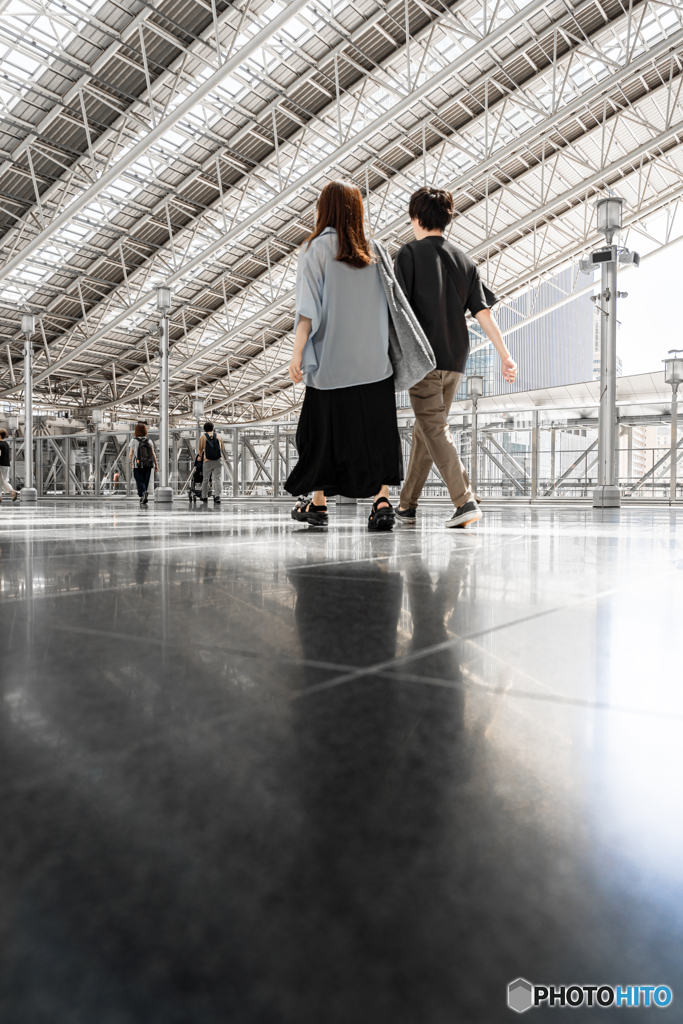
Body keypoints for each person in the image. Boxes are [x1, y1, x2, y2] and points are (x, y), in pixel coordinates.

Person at [285, 180, 432, 531]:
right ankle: (381, 502)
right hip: (373, 365)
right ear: (356, 210)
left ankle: (318, 504)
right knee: (376, 436)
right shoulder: (374, 249)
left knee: (319, 435)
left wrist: (297, 353)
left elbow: (307, 310)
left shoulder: (314, 249)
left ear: (324, 210)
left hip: (330, 364)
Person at [394, 187, 517, 529]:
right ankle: (406, 505)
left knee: (433, 426)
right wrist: (505, 356)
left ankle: (465, 501)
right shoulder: (466, 260)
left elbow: (395, 309)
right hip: (455, 358)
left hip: (423, 357)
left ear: (415, 217)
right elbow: (484, 314)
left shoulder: (408, 254)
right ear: (447, 219)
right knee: (428, 429)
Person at [129, 422, 158, 507]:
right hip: (148, 465)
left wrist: (130, 462)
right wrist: (156, 465)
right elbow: (153, 454)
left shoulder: (133, 440)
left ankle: (143, 494)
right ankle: (143, 494)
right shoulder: (149, 441)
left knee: (139, 480)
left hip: (137, 464)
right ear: (145, 431)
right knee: (145, 481)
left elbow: (131, 454)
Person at [198, 421, 224, 506]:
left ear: (204, 430)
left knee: (205, 479)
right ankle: (217, 497)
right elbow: (222, 448)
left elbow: (200, 449)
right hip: (218, 460)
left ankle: (204, 496)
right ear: (213, 428)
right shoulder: (219, 436)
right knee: (218, 478)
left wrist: (199, 456)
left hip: (207, 461)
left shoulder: (203, 437)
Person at [0, 428, 18, 504]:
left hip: (0, 464)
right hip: (6, 464)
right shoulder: (6, 444)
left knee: (3, 481)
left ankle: (12, 491)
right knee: (3, 480)